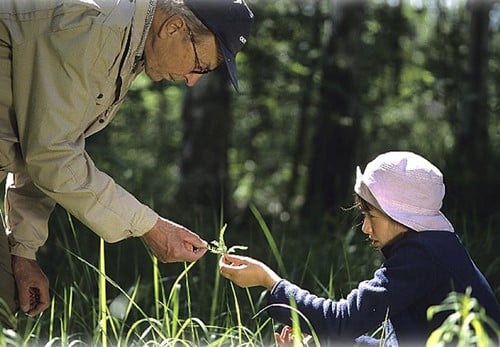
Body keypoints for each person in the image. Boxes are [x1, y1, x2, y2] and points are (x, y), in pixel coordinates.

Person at [0, 0, 254, 328]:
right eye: (200, 66)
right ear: (173, 27)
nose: (192, 81)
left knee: (6, 300)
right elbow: (52, 156)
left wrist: (23, 250)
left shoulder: (127, 46)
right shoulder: (95, 26)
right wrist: (149, 226)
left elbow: (46, 140)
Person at [219, 151, 500, 346]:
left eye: (371, 216)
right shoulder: (434, 248)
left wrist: (269, 281)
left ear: (401, 217)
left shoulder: (420, 257)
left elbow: (342, 320)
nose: (365, 228)